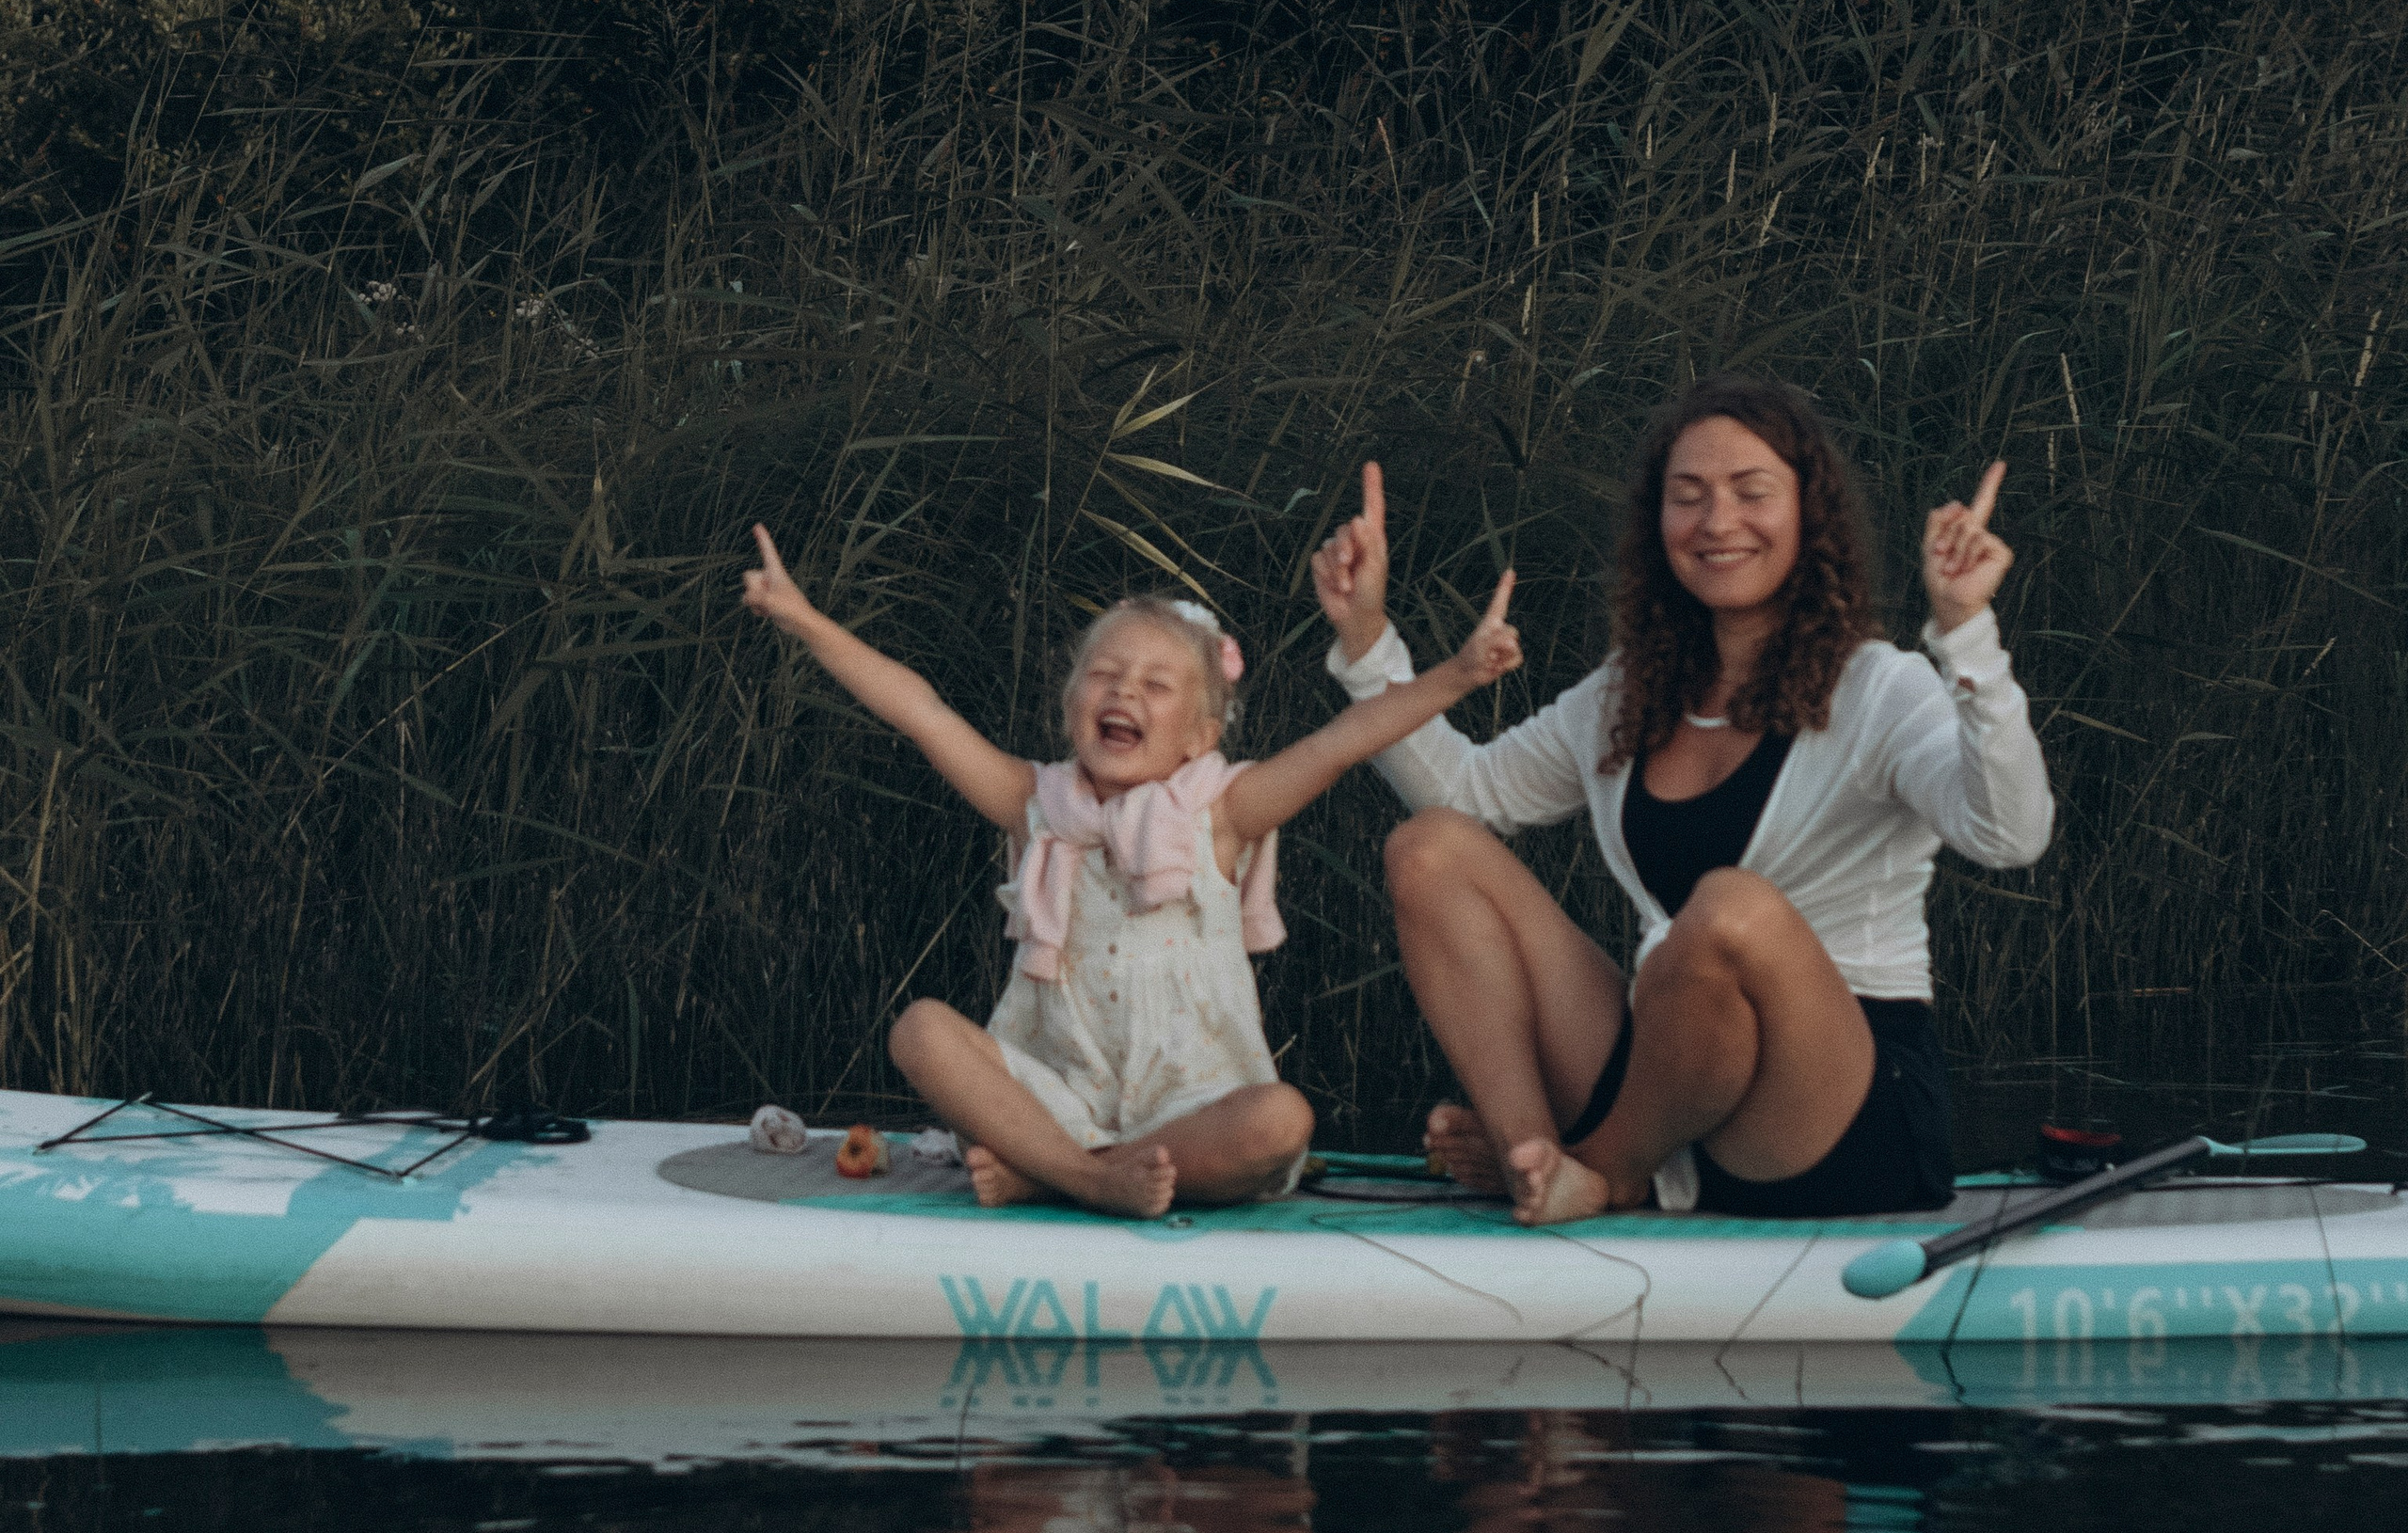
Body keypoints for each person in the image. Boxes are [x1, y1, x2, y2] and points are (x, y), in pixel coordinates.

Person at [1308, 372, 2052, 1225]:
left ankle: (1608, 1171)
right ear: (1657, 524)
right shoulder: (1630, 691)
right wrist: (1365, 637)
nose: (1718, 523)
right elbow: (1466, 794)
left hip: (1835, 1110)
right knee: (1430, 848)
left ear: (1809, 513)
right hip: (1673, 1086)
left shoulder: (1883, 689)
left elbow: (2010, 834)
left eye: (1751, 492)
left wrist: (1965, 629)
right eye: (1688, 497)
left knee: (1729, 911)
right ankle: (1534, 1162)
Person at [740, 528, 1524, 1219]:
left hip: (1194, 1109)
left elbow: (1344, 740)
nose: (1123, 691)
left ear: (1200, 735)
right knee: (920, 1032)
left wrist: (1457, 674)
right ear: (1070, 700)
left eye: (1155, 685)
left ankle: (1055, 1179)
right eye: (1105, 675)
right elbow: (923, 711)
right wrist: (804, 619)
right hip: (1056, 1100)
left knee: (1282, 1120)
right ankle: (1080, 1172)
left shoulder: (1223, 812)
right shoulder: (1035, 803)